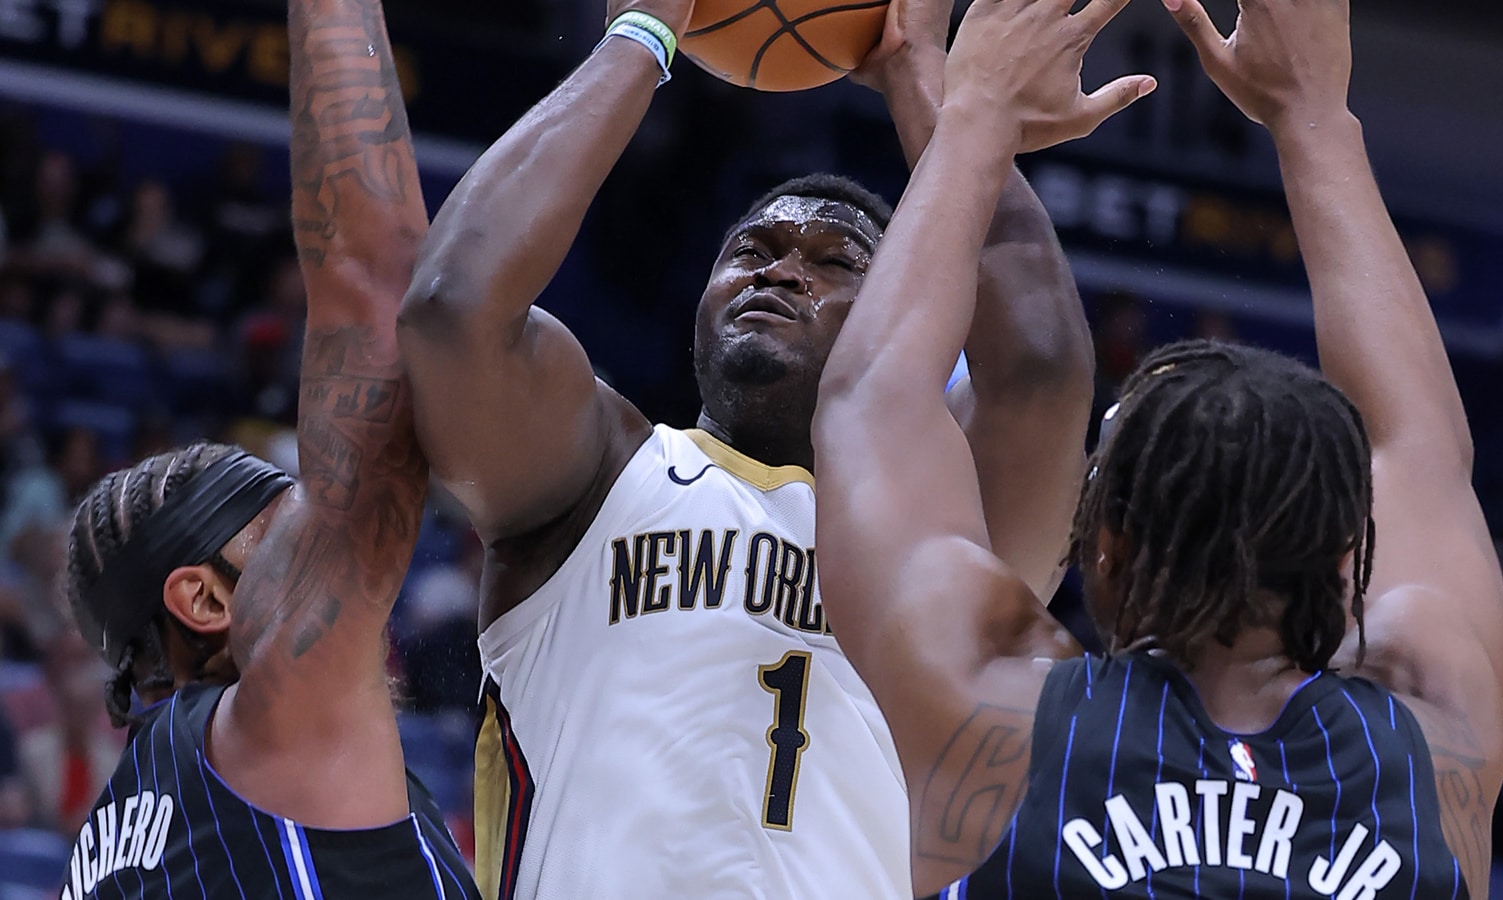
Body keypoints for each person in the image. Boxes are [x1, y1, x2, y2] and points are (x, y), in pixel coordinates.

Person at [395, 0, 1119, 891]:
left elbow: (1040, 371)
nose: (780, 269)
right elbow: (451, 308)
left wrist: (933, 84)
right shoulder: (596, 474)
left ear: (901, 317)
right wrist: (643, 33)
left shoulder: (940, 544)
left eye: (835, 263)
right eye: (753, 250)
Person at [809, 0, 1503, 898]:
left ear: (1106, 544)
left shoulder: (997, 707)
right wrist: (1313, 118)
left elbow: (874, 400)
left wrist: (978, 110)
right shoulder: (1436, 738)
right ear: (1347, 560)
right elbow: (1417, 451)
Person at [54, 0, 476, 895]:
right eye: (286, 526)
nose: (325, 528)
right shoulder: (272, 724)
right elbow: (380, 290)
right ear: (204, 599)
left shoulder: (115, 835)